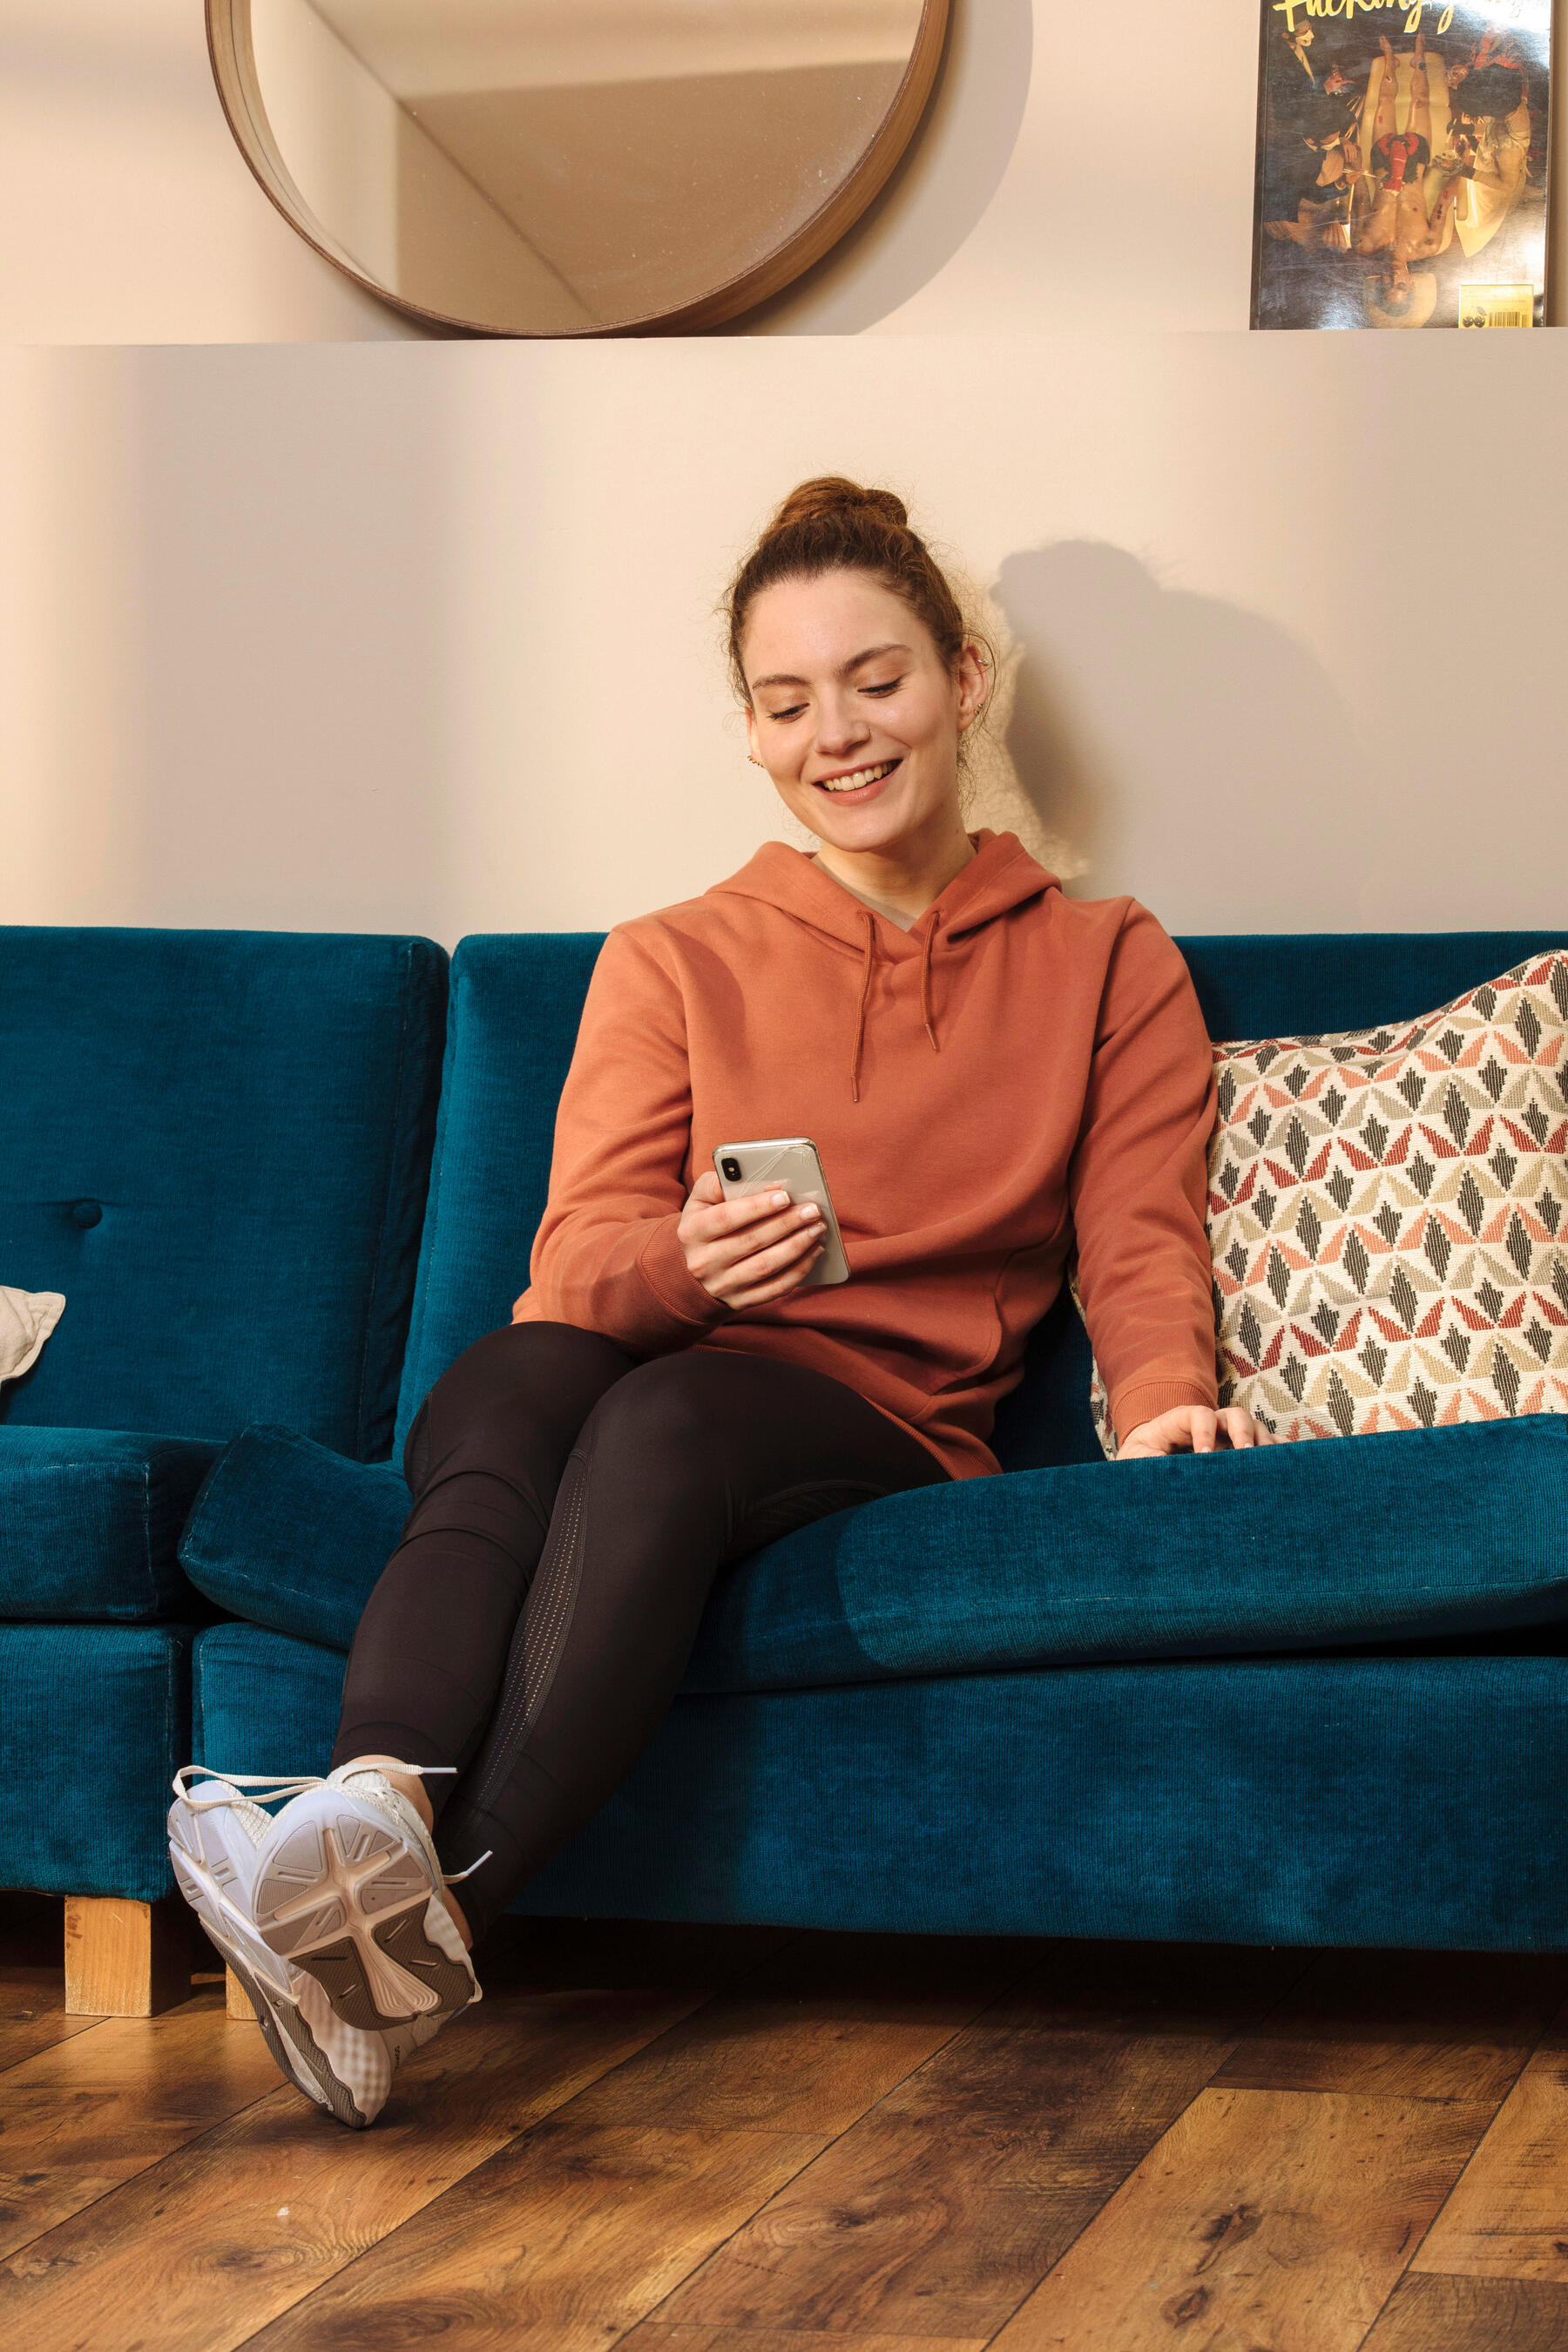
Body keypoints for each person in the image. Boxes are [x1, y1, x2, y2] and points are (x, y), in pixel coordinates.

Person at [166, 477, 1269, 2126]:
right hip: (658, 1360)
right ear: (749, 735)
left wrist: (1171, 1385)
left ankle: (415, 1933)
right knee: (511, 1383)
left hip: (879, 1420)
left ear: (967, 680)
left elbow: (1136, 1229)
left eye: (877, 678)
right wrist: (688, 1265)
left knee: (662, 1416)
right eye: (787, 700)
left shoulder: (1106, 959)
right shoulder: (673, 955)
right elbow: (578, 1261)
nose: (840, 731)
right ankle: (372, 1808)